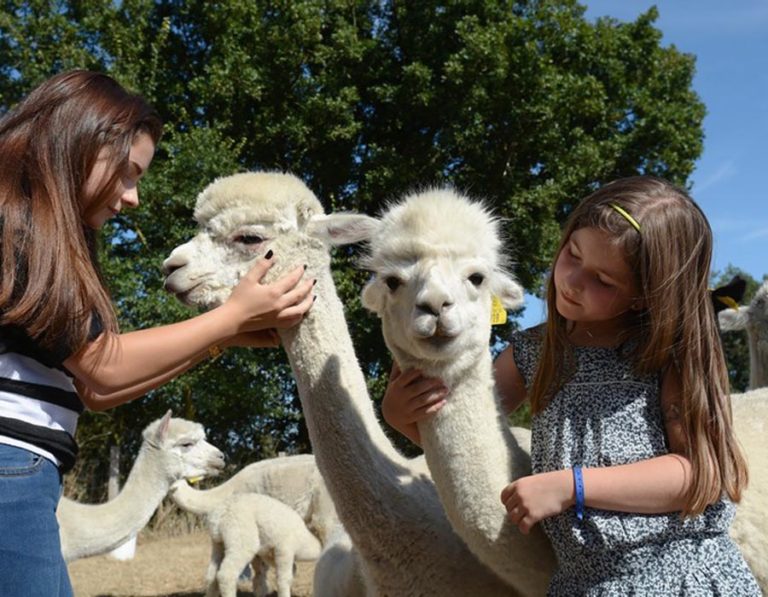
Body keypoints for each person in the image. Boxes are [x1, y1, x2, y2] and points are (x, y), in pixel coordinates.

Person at [0, 70, 314, 596]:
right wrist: (229, 318)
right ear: (77, 140)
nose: (133, 197)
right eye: (127, 172)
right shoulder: (23, 228)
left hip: (27, 476)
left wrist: (221, 337)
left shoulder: (31, 233)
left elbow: (95, 391)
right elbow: (105, 365)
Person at [382, 176, 760, 595]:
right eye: (573, 254)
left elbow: (698, 476)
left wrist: (571, 487)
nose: (574, 280)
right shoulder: (535, 352)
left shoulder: (662, 353)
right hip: (581, 585)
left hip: (675, 579)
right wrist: (401, 418)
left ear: (644, 295)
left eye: (604, 280)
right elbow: (462, 438)